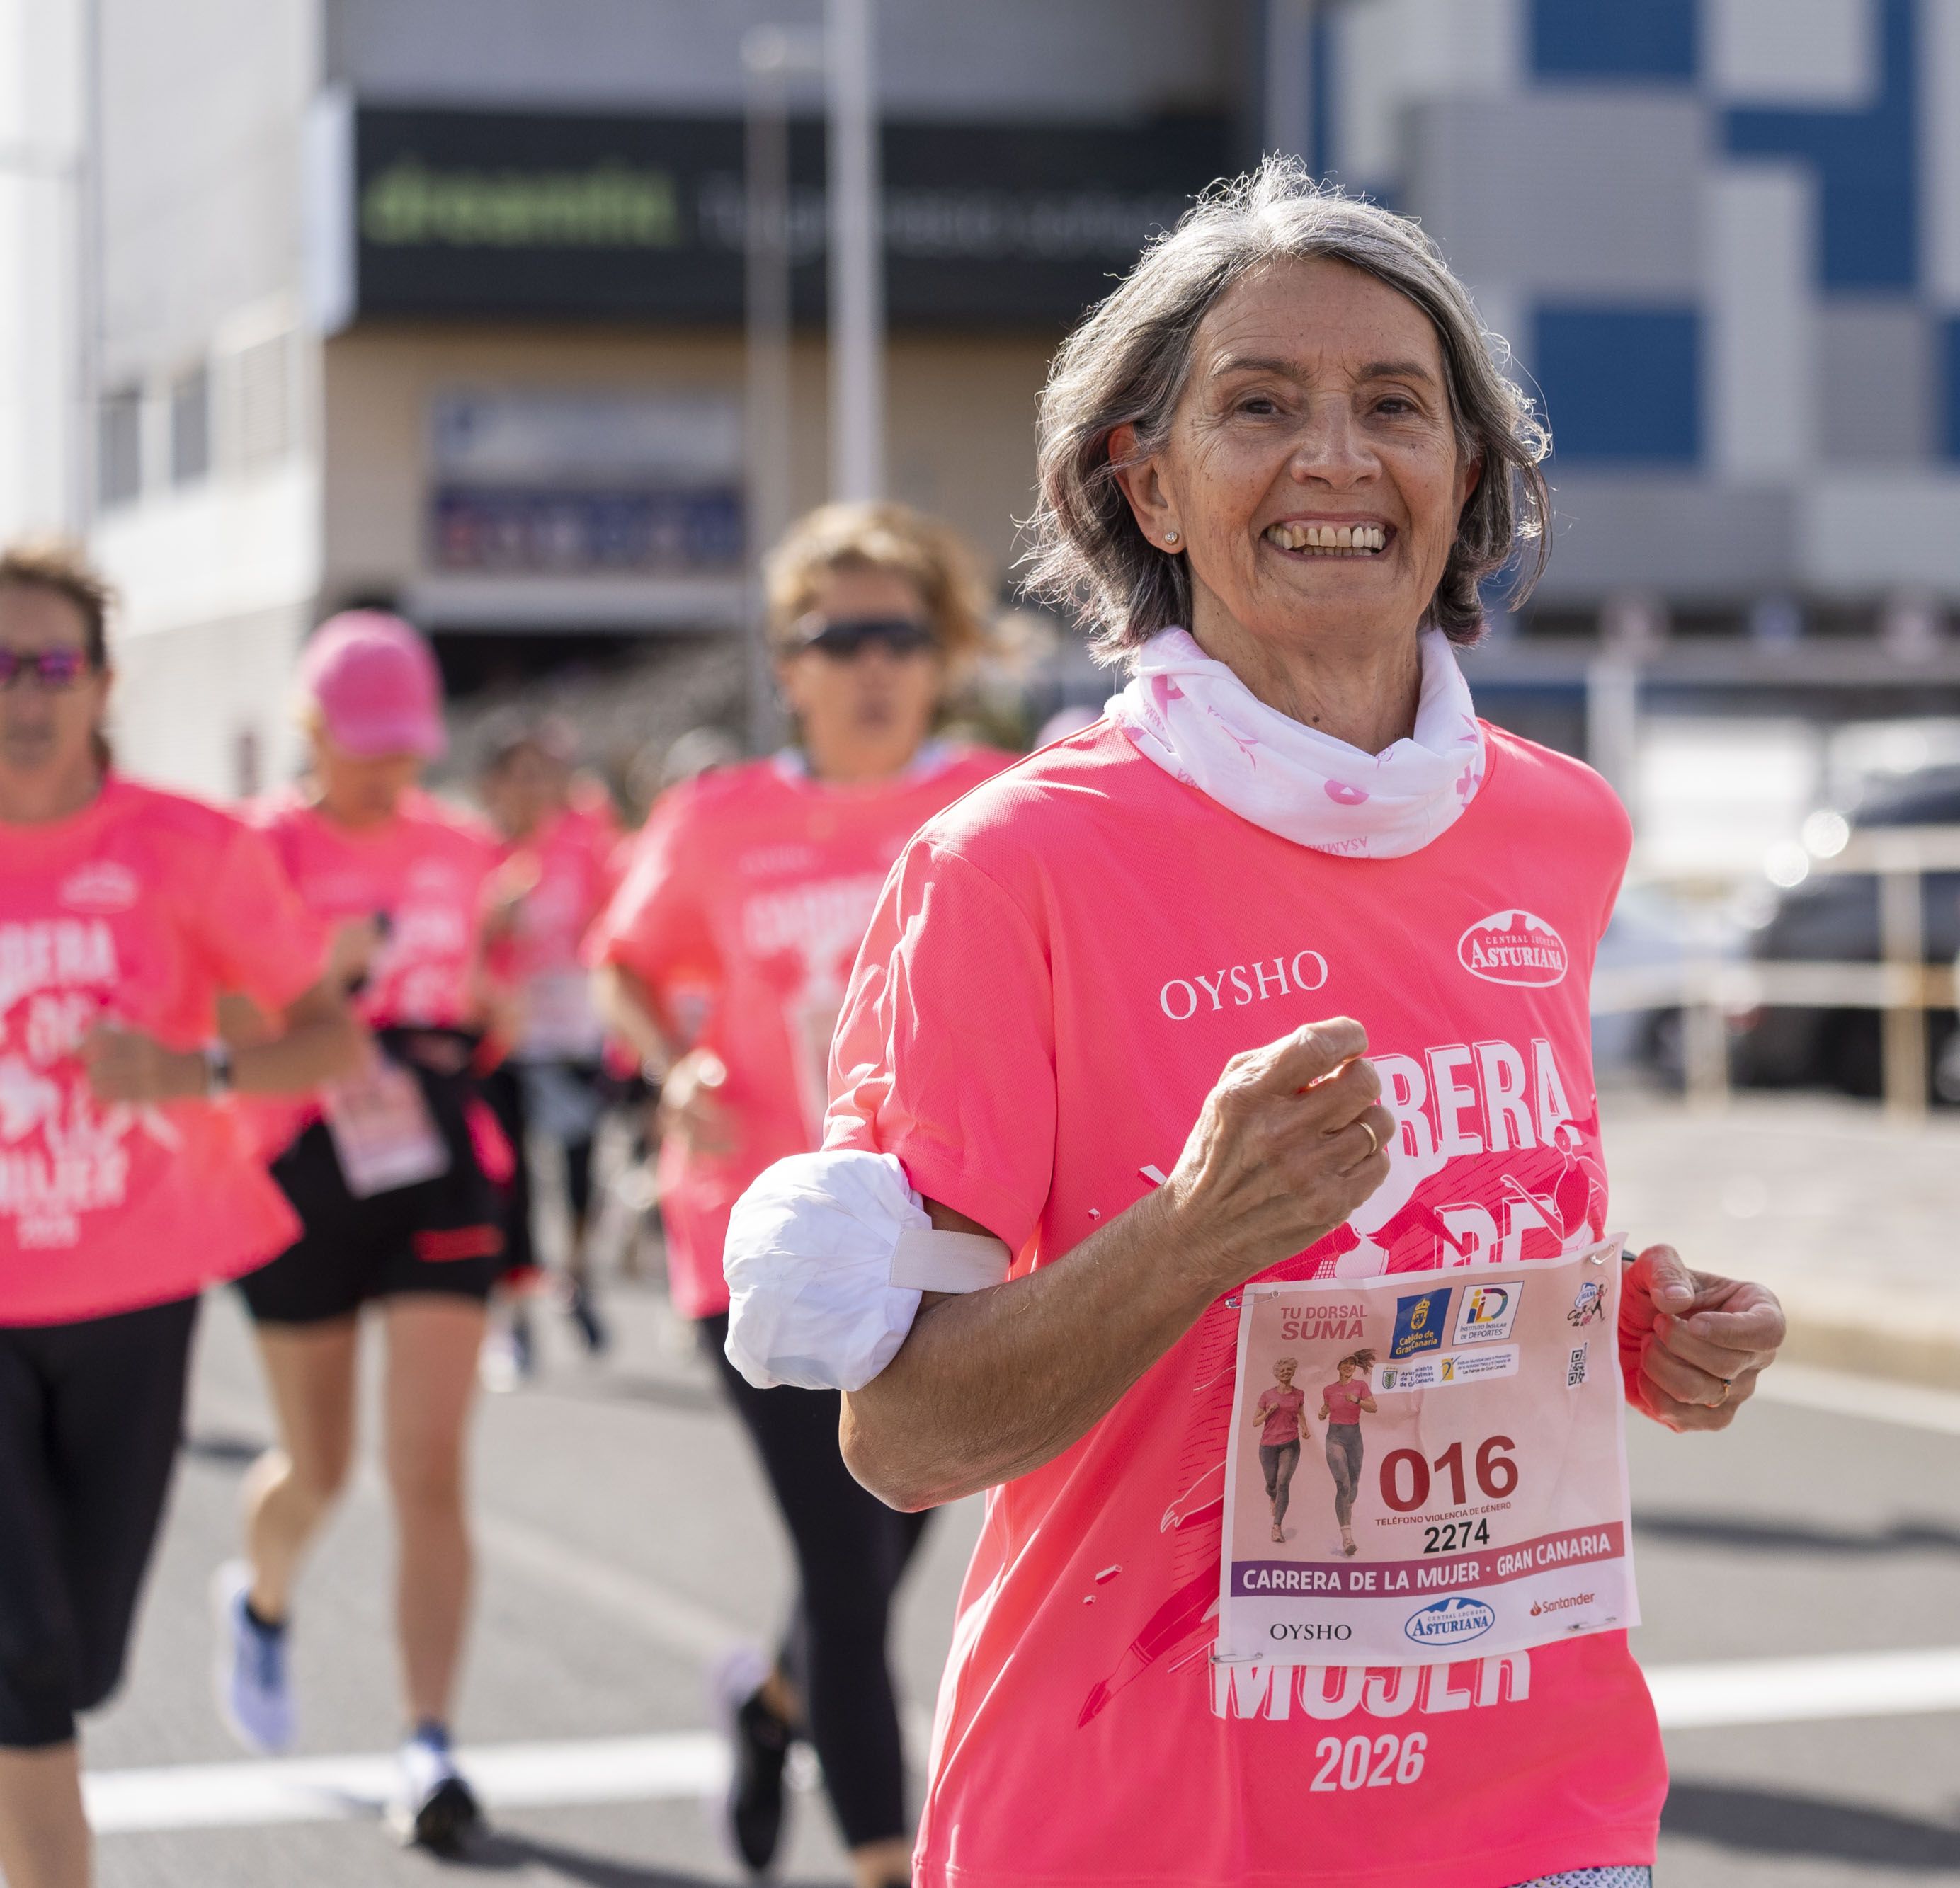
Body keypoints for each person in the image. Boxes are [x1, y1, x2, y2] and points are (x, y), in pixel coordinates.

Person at [775, 160, 1787, 1887]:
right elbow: (904, 1436)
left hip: (1541, 1807)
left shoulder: (1559, 829)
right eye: (1260, 405)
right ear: (1148, 485)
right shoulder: (1009, 868)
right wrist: (1191, 1235)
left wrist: (1616, 1323)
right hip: (1147, 1823)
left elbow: (1450, 1231)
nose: (1336, 457)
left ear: (1464, 477)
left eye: (1394, 405)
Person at [586, 502, 1012, 1888]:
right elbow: (622, 958)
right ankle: (888, 1864)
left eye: (898, 632)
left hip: (950, 1243)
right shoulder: (718, 818)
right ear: (789, 662)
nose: (870, 663)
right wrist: (673, 1058)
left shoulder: (1005, 803)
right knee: (844, 1565)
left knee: (885, 1542)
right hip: (753, 1240)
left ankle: (770, 1703)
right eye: (837, 636)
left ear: (944, 651)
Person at [0, 542, 360, 1888]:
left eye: (49, 663)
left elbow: (326, 1043)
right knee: (26, 1660)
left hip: (133, 1291)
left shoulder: (184, 847)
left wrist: (190, 1070)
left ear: (99, 685)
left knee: (79, 1658)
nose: (22, 693)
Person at [213, 610, 514, 1851]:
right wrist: (318, 973)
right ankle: (265, 1595)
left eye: (406, 744)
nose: (388, 767)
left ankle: (427, 1738)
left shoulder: (460, 846)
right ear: (313, 730)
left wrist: (487, 1006)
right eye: (363, 743)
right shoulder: (257, 849)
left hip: (434, 1155)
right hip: (297, 1160)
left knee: (429, 1464)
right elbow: (226, 1030)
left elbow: (486, 1002)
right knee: (320, 1470)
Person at [474, 719, 622, 1380]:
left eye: (546, 771)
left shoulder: (581, 841)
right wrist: (492, 920)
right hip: (503, 1042)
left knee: (580, 1172)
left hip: (575, 1035)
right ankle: (514, 1316)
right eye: (522, 773)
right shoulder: (475, 853)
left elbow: (617, 918)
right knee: (512, 1183)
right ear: (494, 784)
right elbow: (455, 946)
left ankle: (578, 1276)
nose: (538, 787)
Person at [1320, 1349, 1377, 1555]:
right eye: (1344, 1363)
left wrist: (1357, 1401)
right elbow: (1326, 1407)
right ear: (1338, 1366)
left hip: (1355, 1438)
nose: (1348, 1366)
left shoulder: (1360, 1387)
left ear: (1354, 1367)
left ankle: (1346, 1509)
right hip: (1334, 1437)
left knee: (1353, 1486)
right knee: (1343, 1485)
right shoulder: (1328, 1389)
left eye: (1351, 1364)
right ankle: (1347, 1538)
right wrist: (1322, 1412)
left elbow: (1373, 1407)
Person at [1250, 1358, 1309, 1543]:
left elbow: (1300, 1413)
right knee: (1272, 1483)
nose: (1285, 1373)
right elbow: (1255, 1422)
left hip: (1290, 1443)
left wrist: (1305, 1428)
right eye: (1282, 1370)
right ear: (1276, 1374)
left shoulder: (1299, 1394)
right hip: (1268, 1445)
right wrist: (1269, 1413)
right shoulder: (1267, 1395)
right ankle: (1273, 1496)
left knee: (1283, 1482)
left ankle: (1277, 1527)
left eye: (1289, 1370)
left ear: (1293, 1372)